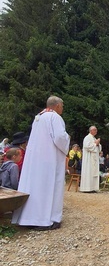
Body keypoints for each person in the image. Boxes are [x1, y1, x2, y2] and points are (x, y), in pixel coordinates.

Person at [12, 96, 70, 230]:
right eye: (62, 105)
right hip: (50, 160)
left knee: (35, 186)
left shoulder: (38, 117)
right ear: (56, 106)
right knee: (49, 186)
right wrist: (68, 139)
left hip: (36, 160)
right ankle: (49, 219)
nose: (62, 108)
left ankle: (30, 218)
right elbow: (60, 137)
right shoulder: (54, 117)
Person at [80, 126, 102, 192]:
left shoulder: (94, 138)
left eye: (96, 130)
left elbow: (99, 148)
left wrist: (98, 144)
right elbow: (87, 146)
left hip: (94, 158)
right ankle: (87, 188)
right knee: (88, 172)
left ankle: (93, 188)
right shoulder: (87, 138)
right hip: (88, 158)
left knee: (93, 172)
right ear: (91, 131)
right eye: (94, 130)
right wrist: (95, 144)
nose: (96, 131)